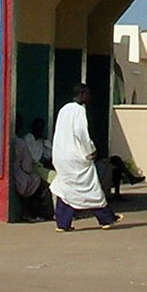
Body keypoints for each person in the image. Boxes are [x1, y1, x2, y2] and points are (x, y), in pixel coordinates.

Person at [48, 85, 120, 231]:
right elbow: (81, 132)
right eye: (88, 93)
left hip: (60, 156)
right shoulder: (79, 110)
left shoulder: (64, 109)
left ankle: (63, 223)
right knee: (90, 187)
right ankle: (106, 218)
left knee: (66, 188)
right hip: (76, 157)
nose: (90, 97)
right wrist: (91, 150)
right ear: (82, 94)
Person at [12, 129, 51, 219]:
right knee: (36, 181)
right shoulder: (20, 143)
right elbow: (27, 168)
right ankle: (31, 213)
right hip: (19, 178)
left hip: (12, 176)